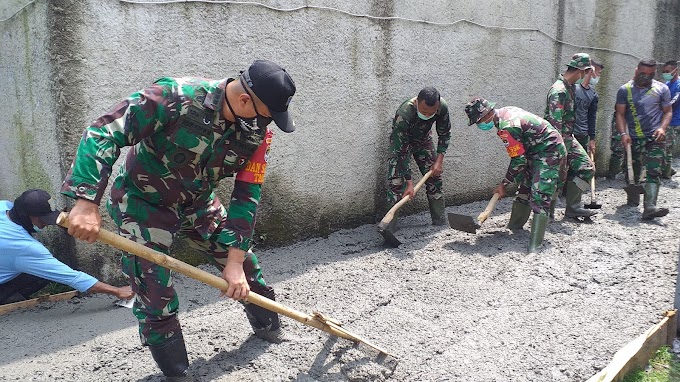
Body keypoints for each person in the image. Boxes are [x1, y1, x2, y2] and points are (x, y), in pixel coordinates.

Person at [61, 60, 296, 381]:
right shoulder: (175, 97)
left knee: (248, 270)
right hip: (143, 204)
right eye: (267, 115)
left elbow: (246, 196)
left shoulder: (256, 135)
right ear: (245, 101)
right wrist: (86, 202)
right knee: (155, 296)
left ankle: (268, 326)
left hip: (198, 203)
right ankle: (178, 372)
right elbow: (103, 132)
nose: (267, 124)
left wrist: (235, 261)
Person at [464, 98, 566, 253]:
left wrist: (504, 183)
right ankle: (515, 227)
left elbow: (518, 160)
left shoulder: (507, 127)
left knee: (540, 193)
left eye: (478, 122)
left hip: (549, 149)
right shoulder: (504, 113)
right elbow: (521, 156)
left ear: (484, 116)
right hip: (534, 150)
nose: (479, 125)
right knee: (524, 188)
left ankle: (535, 246)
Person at [0, 189, 133, 304]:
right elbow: (71, 277)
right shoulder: (24, 247)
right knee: (44, 273)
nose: (46, 224)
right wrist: (117, 291)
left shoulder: (4, 206)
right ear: (25, 216)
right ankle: (7, 298)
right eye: (43, 220)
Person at [386, 86, 451, 230]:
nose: (427, 115)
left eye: (431, 113)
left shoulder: (442, 107)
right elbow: (401, 151)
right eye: (423, 112)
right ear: (416, 102)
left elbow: (445, 134)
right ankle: (388, 227)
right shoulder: (404, 114)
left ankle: (440, 223)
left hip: (423, 141)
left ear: (437, 106)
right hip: (402, 143)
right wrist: (409, 183)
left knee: (435, 179)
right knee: (397, 183)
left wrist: (439, 161)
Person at [616, 58, 673, 219]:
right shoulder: (625, 90)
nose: (645, 77)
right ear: (636, 71)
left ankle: (650, 207)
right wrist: (623, 134)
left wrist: (662, 128)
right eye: (643, 73)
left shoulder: (661, 89)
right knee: (631, 170)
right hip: (633, 138)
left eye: (650, 74)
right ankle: (633, 198)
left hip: (655, 137)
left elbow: (668, 111)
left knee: (653, 170)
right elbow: (620, 114)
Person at [544, 52, 596, 220]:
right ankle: (547, 215)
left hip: (568, 137)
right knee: (556, 178)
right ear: (582, 70)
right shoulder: (558, 91)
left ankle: (573, 207)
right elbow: (554, 124)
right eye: (587, 72)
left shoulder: (570, 87)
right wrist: (560, 152)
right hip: (556, 141)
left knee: (586, 168)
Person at [574, 59, 605, 154]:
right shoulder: (572, 88)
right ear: (591, 70)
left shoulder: (593, 95)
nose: (598, 77)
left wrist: (592, 139)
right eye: (598, 73)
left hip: (582, 135)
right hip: (569, 133)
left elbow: (592, 117)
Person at [661, 60, 680, 178]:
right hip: (665, 120)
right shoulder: (667, 84)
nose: (665, 74)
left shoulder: (678, 85)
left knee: (667, 147)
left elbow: (675, 101)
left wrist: (663, 107)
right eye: (663, 72)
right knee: (662, 146)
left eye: (667, 71)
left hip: (674, 121)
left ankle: (666, 173)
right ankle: (668, 169)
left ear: (675, 70)